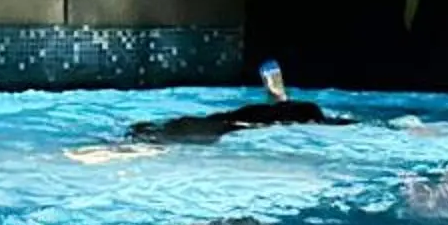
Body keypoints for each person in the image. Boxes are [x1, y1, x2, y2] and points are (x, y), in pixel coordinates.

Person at [124, 61, 350, 146]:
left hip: (250, 118)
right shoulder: (307, 114)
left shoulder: (301, 113)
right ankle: (280, 99)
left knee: (215, 125)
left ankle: (279, 99)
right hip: (252, 120)